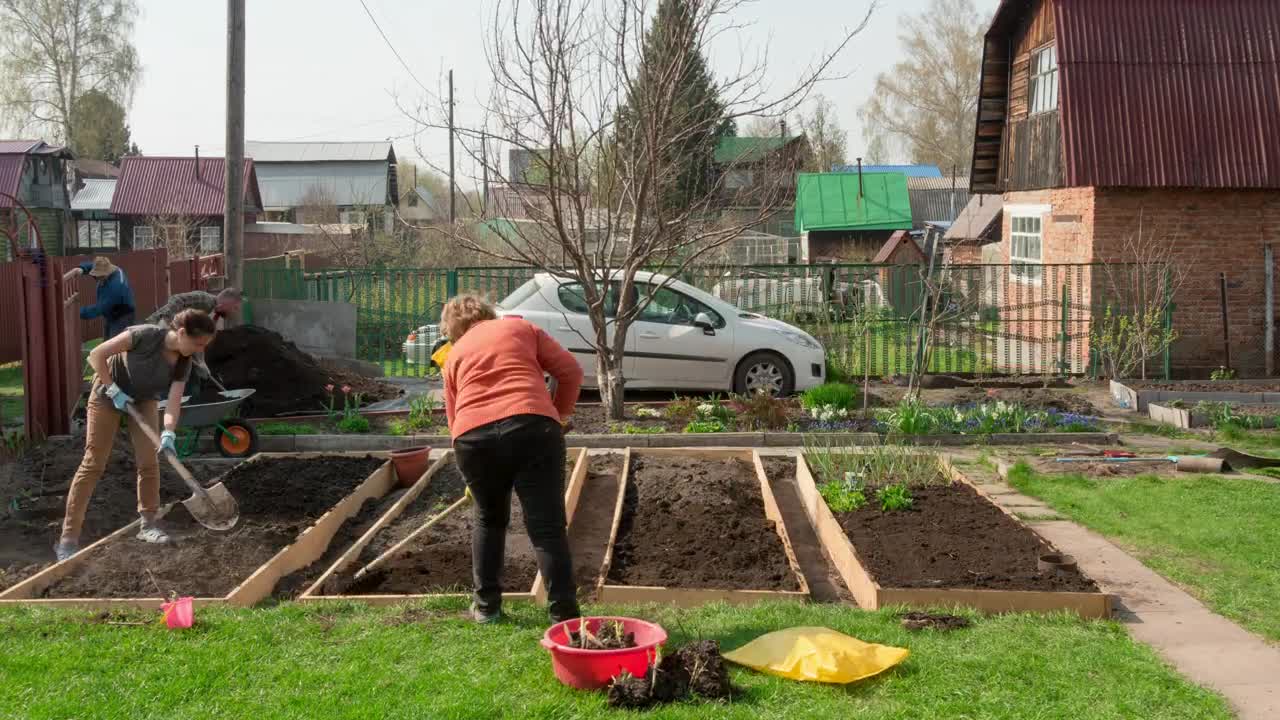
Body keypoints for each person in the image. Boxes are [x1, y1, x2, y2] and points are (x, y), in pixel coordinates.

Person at [441, 294, 584, 625]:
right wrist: (559, 416)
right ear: (489, 314)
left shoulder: (453, 357)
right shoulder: (521, 330)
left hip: (472, 441)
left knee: (487, 520)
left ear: (452, 330)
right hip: (532, 427)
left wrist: (472, 474)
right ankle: (564, 615)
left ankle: (487, 609)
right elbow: (571, 372)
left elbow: (454, 422)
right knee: (547, 526)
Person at [54, 309, 219, 561]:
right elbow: (96, 355)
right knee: (94, 464)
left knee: (149, 462)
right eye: (198, 343)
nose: (199, 350)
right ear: (182, 332)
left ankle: (148, 525)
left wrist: (169, 433)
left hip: (143, 400)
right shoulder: (144, 335)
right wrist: (112, 389)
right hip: (107, 395)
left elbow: (173, 403)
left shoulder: (184, 362)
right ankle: (68, 539)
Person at [76, 256, 136, 342]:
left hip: (122, 317)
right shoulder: (110, 269)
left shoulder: (116, 286)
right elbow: (93, 266)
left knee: (115, 345)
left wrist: (77, 312)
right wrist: (82, 268)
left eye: (99, 276)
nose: (97, 279)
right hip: (111, 314)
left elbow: (98, 309)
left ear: (107, 273)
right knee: (107, 342)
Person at [145, 288, 242, 329]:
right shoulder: (206, 301)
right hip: (154, 327)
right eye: (235, 308)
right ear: (225, 303)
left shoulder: (212, 314)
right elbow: (178, 299)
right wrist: (165, 324)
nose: (235, 312)